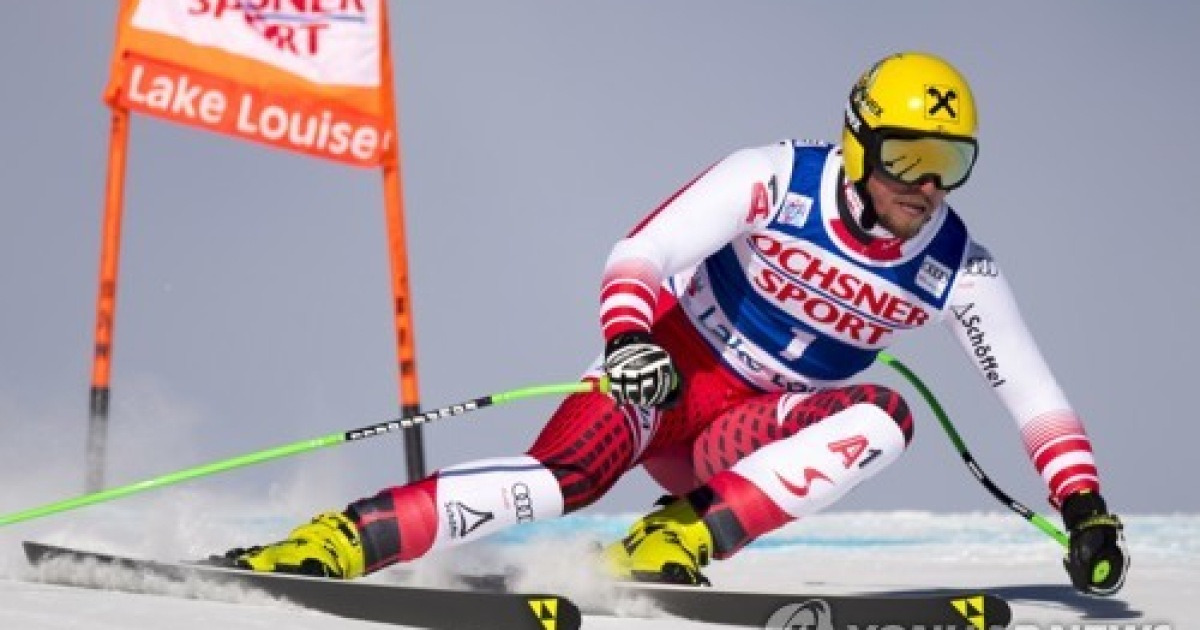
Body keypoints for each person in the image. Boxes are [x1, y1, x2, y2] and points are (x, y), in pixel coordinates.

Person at [222, 51, 1129, 596]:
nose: (925, 185)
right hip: (664, 376)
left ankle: (678, 535)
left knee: (886, 419)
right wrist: (628, 343)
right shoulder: (774, 177)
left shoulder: (952, 261)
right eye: (908, 156)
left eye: (949, 163)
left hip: (743, 435)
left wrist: (1081, 505)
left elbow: (1028, 387)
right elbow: (640, 254)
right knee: (561, 481)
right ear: (860, 145)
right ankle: (339, 540)